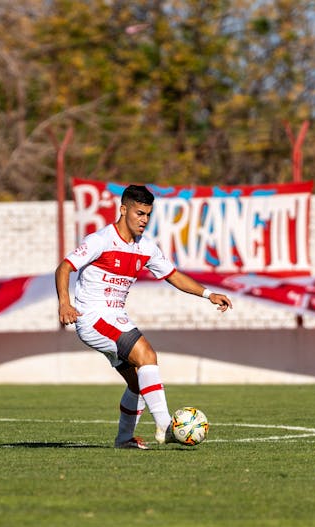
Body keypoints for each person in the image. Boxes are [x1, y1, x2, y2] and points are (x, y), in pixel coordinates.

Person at [56, 184, 233, 449]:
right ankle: (166, 426)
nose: (144, 220)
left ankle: (124, 439)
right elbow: (64, 267)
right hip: (93, 317)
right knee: (147, 355)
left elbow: (173, 276)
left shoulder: (145, 247)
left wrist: (208, 294)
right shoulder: (100, 240)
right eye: (139, 213)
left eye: (148, 215)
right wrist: (64, 304)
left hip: (116, 317)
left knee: (139, 384)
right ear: (123, 209)